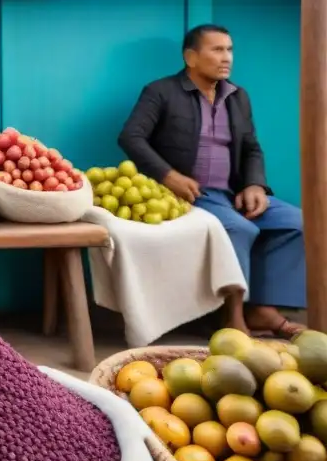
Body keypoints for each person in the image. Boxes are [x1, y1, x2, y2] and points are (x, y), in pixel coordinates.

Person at [118, 24, 305, 337]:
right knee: (239, 228)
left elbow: (251, 148)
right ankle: (232, 317)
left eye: (229, 50)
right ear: (191, 57)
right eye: (217, 50)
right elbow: (131, 137)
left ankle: (262, 309)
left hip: (232, 193)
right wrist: (169, 175)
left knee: (296, 223)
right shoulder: (161, 92)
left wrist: (254, 185)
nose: (226, 57)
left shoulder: (238, 96)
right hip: (192, 194)